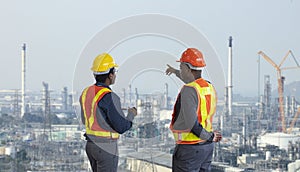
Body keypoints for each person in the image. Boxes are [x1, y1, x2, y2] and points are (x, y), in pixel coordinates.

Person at [166, 48, 222, 172]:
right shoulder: (208, 86)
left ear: (188, 68)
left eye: (181, 67)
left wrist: (210, 136)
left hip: (190, 149)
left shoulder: (189, 90)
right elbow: (191, 80)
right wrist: (175, 72)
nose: (180, 70)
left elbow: (192, 124)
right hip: (206, 149)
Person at [79, 53, 137, 172]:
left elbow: (86, 119)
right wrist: (131, 115)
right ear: (110, 75)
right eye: (114, 73)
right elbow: (121, 127)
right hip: (106, 147)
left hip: (91, 146)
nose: (115, 75)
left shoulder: (86, 93)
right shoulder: (109, 96)